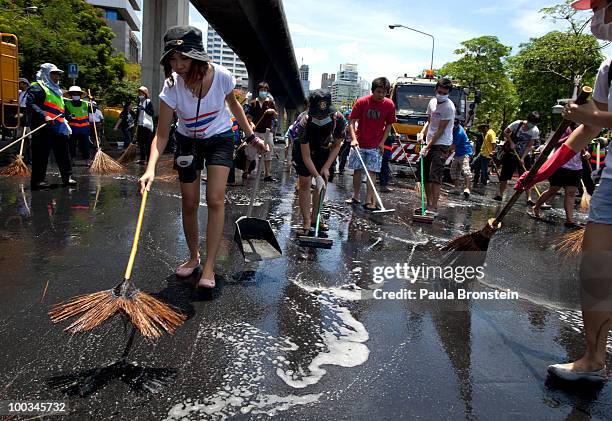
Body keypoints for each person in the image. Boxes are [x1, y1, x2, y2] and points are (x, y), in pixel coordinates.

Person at [515, 0, 612, 383]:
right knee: (598, 267)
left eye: (600, 6)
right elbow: (592, 128)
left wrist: (588, 115)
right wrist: (543, 169)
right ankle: (593, 359)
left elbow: (594, 118)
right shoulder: (608, 68)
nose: (594, 16)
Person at [138, 25, 267, 289]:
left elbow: (233, 105)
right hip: (187, 141)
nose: (178, 65)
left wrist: (251, 136)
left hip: (220, 137)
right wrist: (150, 168)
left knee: (216, 198)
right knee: (189, 202)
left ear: (197, 56)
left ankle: (209, 266)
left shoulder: (220, 76)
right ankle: (194, 257)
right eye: (172, 59)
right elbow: (161, 134)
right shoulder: (171, 85)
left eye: (183, 58)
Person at [291, 90, 345, 235]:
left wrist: (326, 168)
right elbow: (306, 156)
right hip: (304, 151)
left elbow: (337, 145)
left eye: (324, 114)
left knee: (323, 183)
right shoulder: (303, 122)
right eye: (318, 114)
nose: (321, 117)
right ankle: (306, 221)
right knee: (305, 182)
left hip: (325, 150)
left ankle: (316, 217)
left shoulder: (338, 119)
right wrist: (316, 176)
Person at [345, 77, 397, 210]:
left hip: (375, 144)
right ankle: (355, 196)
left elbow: (389, 125)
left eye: (384, 92)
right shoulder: (362, 102)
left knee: (372, 172)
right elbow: (351, 121)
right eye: (378, 91)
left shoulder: (389, 104)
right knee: (357, 171)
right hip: (359, 143)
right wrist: (354, 139)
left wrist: (382, 142)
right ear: (373, 90)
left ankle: (368, 200)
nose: (381, 95)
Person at [26, 63, 75, 189]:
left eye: (58, 74)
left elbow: (60, 107)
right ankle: (38, 181)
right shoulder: (37, 87)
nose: (57, 76)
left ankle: (67, 177)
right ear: (46, 74)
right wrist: (44, 116)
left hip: (58, 127)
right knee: (41, 155)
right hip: (43, 127)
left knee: (64, 154)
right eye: (54, 73)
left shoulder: (57, 90)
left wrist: (68, 117)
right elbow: (31, 104)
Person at [531, 127, 584, 228]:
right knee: (553, 190)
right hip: (561, 166)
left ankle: (569, 220)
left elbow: (583, 149)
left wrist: (585, 154)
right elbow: (554, 144)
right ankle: (536, 207)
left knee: (571, 192)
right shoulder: (565, 130)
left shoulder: (587, 132)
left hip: (576, 168)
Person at [417, 78, 455, 216]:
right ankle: (428, 204)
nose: (441, 95)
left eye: (444, 93)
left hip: (441, 144)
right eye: (439, 92)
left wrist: (427, 146)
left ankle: (434, 207)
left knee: (435, 176)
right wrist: (422, 133)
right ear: (435, 90)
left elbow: (440, 130)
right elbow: (430, 121)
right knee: (426, 175)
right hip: (429, 142)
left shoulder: (449, 108)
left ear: (448, 93)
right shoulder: (432, 102)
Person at [496, 112, 541, 203]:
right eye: (532, 123)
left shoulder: (535, 130)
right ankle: (500, 194)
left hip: (524, 154)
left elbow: (529, 145)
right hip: (511, 153)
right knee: (505, 175)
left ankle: (529, 198)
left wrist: (523, 157)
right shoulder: (517, 124)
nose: (532, 125)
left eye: (535, 124)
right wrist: (511, 142)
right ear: (528, 120)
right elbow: (505, 132)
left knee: (526, 176)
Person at [246, 81, 278, 181]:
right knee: (250, 151)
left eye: (265, 90)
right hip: (255, 132)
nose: (263, 92)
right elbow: (248, 117)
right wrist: (251, 123)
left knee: (268, 152)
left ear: (267, 91)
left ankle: (267, 174)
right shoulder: (253, 103)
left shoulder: (270, 103)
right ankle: (246, 171)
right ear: (258, 91)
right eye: (261, 90)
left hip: (267, 132)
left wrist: (272, 111)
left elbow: (276, 115)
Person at [64, 86, 91, 163]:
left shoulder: (86, 103)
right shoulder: (67, 104)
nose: (75, 95)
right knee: (72, 145)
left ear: (80, 94)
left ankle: (87, 160)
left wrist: (92, 100)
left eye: (77, 94)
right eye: (73, 94)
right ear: (71, 95)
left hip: (84, 129)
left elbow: (93, 110)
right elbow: (65, 115)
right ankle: (73, 159)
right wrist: (69, 117)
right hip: (73, 129)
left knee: (85, 146)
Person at [450, 120, 473, 198]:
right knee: (453, 170)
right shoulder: (453, 129)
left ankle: (467, 189)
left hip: (465, 152)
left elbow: (452, 146)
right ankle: (456, 188)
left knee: (466, 170)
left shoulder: (459, 132)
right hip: (457, 153)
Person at [136, 86, 155, 164]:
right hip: (140, 124)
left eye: (141, 92)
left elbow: (152, 113)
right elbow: (138, 114)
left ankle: (148, 160)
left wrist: (144, 109)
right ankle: (142, 159)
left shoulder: (148, 102)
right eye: (139, 92)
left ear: (145, 94)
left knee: (147, 143)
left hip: (146, 125)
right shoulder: (139, 102)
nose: (140, 94)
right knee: (140, 142)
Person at [17, 77, 31, 163]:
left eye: (20, 83)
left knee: (29, 139)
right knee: (19, 138)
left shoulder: (29, 94)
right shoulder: (20, 93)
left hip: (27, 116)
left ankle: (29, 158)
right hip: (21, 116)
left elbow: (29, 107)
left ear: (25, 84)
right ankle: (21, 156)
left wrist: (26, 115)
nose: (19, 85)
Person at [337, 109, 352, 175]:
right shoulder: (346, 122)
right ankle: (341, 168)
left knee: (343, 154)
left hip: (350, 142)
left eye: (347, 115)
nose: (346, 117)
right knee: (340, 153)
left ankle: (341, 169)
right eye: (346, 115)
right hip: (345, 141)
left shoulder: (353, 123)